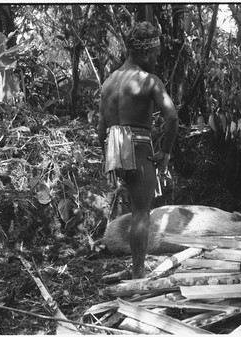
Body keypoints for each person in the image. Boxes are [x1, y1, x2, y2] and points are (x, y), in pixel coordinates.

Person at [98, 21, 178, 279]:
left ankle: (134, 265)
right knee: (142, 212)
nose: (156, 60)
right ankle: (138, 275)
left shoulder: (109, 81)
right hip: (138, 143)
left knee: (133, 205)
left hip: (113, 145)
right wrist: (165, 152)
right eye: (155, 54)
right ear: (145, 53)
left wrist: (106, 157)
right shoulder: (148, 81)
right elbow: (172, 117)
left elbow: (101, 127)